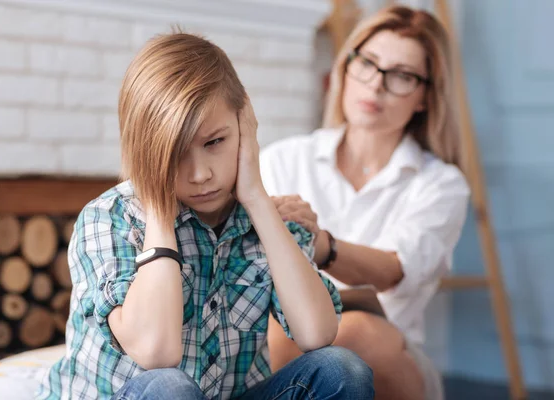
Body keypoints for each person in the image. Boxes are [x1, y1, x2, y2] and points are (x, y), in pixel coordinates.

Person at [36, 33, 374, 400]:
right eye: (176, 153)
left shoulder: (268, 221)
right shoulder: (108, 220)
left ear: (244, 128)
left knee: (342, 371)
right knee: (171, 387)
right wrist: (159, 205)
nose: (200, 174)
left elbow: (316, 333)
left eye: (215, 142)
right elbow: (157, 352)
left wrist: (256, 197)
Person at [260, 5, 470, 400]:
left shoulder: (442, 184)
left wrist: (324, 245)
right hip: (285, 343)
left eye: (402, 76)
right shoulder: (283, 159)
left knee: (355, 331)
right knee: (276, 330)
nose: (376, 85)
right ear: (344, 68)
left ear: (425, 96)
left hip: (391, 358)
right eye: (368, 64)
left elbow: (394, 270)